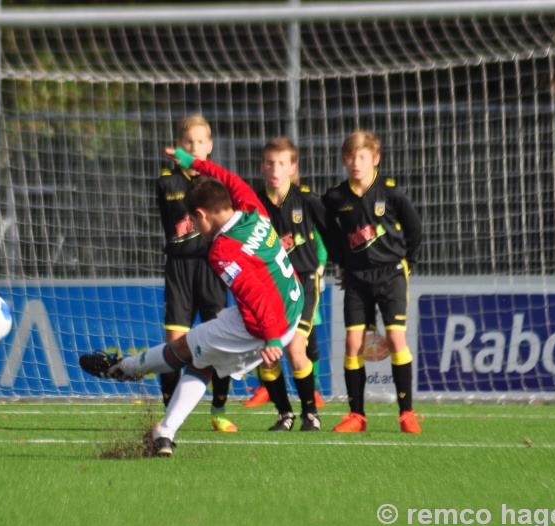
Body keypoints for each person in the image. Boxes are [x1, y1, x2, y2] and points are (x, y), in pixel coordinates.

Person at [80, 146, 305, 456]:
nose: (196, 230)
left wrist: (271, 339)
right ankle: (165, 432)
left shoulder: (222, 251)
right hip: (291, 307)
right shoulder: (251, 206)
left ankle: (124, 368)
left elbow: (253, 292)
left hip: (264, 323)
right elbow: (226, 176)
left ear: (201, 215)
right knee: (203, 360)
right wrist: (192, 162)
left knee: (185, 348)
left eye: (195, 223)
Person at [321, 130, 424, 434]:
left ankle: (406, 414)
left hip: (391, 274)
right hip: (355, 278)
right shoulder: (336, 197)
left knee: (395, 340)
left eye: (362, 157)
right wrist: (342, 263)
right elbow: (329, 233)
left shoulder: (391, 192)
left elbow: (415, 230)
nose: (356, 162)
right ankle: (357, 416)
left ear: (375, 159)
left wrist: (408, 263)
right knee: (353, 344)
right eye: (351, 156)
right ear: (344, 159)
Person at [154, 114, 236, 433]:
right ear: (178, 146)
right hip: (179, 269)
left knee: (219, 341)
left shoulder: (220, 183)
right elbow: (169, 227)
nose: (195, 147)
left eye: (201, 141)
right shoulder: (166, 183)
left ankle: (219, 410)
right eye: (189, 142)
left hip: (214, 267)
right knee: (174, 342)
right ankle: (170, 413)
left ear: (210, 145)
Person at [248, 137, 331, 430]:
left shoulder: (307, 200)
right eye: (270, 162)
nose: (275, 169)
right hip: (270, 287)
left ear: (292, 168)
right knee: (266, 354)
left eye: (282, 163)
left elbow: (331, 233)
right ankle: (285, 414)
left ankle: (311, 413)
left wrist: (338, 264)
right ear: (262, 166)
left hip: (305, 281)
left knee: (297, 348)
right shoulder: (253, 205)